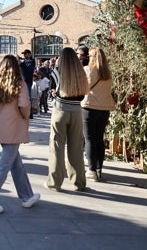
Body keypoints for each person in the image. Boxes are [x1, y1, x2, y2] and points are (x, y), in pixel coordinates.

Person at [0, 55, 41, 214]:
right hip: (15, 125)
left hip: (1, 125)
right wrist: (24, 116)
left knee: (15, 163)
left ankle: (27, 195)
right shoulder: (19, 83)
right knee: (4, 166)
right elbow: (24, 105)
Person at [45, 47, 89, 192]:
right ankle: (79, 182)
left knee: (56, 146)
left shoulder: (57, 71)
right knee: (76, 147)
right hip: (77, 111)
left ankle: (55, 182)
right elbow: (83, 95)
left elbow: (53, 90)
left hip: (60, 110)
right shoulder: (81, 72)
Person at [81, 47, 114, 181]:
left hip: (89, 107)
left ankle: (92, 170)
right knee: (99, 138)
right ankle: (99, 169)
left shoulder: (87, 70)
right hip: (104, 108)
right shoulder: (108, 73)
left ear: (91, 57)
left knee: (89, 139)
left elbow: (83, 88)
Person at [20, 49, 36, 118]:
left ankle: (30, 113)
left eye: (25, 54)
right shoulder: (24, 61)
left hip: (28, 81)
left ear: (29, 54)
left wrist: (21, 63)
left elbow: (29, 69)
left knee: (28, 97)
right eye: (24, 54)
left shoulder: (32, 61)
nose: (24, 55)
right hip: (23, 81)